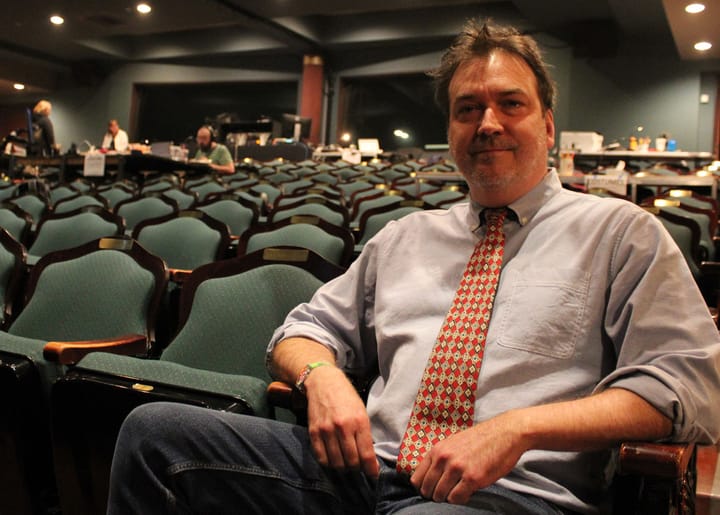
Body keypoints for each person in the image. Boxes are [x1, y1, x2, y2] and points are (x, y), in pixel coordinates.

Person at [106, 19, 720, 514]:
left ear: (548, 123)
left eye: (511, 103)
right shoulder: (403, 238)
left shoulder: (620, 232)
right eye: (467, 108)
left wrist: (517, 429)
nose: (487, 123)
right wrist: (322, 379)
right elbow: (301, 331)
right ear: (450, 129)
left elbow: (689, 385)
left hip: (506, 495)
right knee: (151, 433)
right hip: (363, 469)